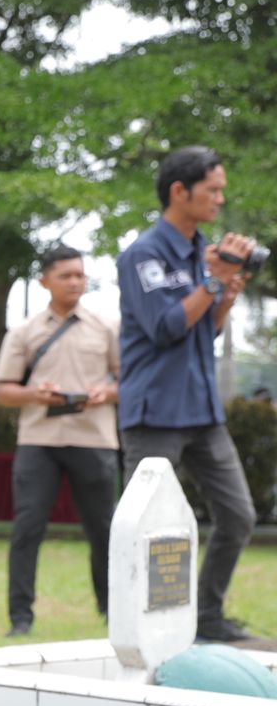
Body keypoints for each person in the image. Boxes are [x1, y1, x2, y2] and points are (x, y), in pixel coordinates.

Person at [117, 146, 258, 644]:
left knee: (239, 515)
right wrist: (212, 281)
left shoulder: (206, 252)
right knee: (143, 525)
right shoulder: (143, 254)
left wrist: (225, 295)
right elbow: (164, 327)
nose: (220, 198)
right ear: (180, 191)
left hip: (202, 409)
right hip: (155, 410)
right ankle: (136, 627)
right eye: (212, 189)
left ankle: (206, 616)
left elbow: (205, 332)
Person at [0, 246, 120, 638]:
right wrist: (34, 394)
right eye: (66, 275)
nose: (75, 282)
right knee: (28, 529)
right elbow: (2, 391)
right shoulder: (25, 331)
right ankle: (20, 619)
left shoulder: (105, 327)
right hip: (39, 440)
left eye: (80, 275)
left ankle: (114, 613)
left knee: (104, 531)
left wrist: (107, 392)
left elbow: (125, 379)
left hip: (94, 440)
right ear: (44, 281)